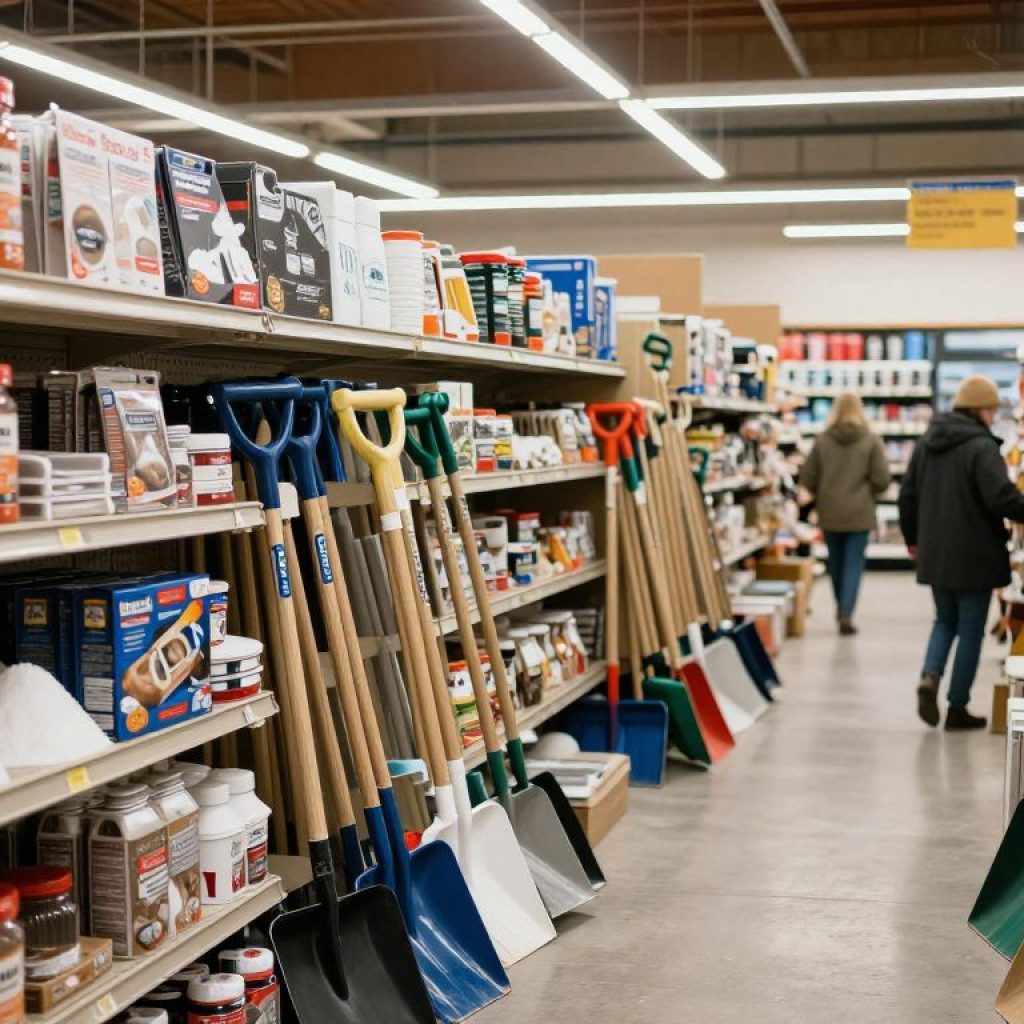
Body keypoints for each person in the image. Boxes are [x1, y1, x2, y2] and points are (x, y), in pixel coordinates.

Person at [899, 374, 1024, 731]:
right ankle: (957, 706)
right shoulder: (981, 447)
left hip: (936, 551)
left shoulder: (927, 442)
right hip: (976, 553)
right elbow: (1000, 497)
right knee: (970, 629)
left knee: (944, 620)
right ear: (982, 409)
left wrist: (913, 540)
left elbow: (907, 496)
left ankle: (930, 676)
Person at [799, 392, 891, 635]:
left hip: (829, 511)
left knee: (836, 564)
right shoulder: (871, 440)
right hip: (860, 512)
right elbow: (882, 480)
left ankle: (841, 607)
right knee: (853, 565)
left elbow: (807, 478)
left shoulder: (822, 441)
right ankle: (846, 613)